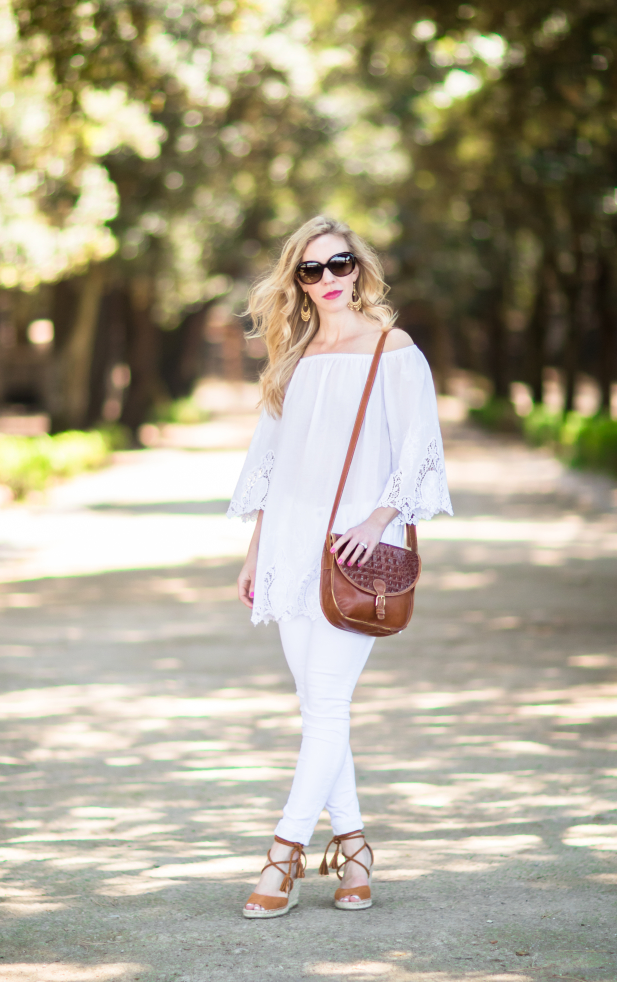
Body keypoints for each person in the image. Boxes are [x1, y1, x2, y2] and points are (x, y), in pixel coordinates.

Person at [227, 215, 453, 918]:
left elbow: (418, 448)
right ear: (295, 279)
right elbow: (269, 464)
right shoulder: (290, 356)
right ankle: (353, 851)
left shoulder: (393, 348)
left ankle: (282, 856)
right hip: (290, 546)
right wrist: (255, 550)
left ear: (360, 269)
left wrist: (376, 519)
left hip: (352, 549)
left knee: (325, 705)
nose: (328, 279)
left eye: (340, 264)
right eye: (311, 269)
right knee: (319, 708)